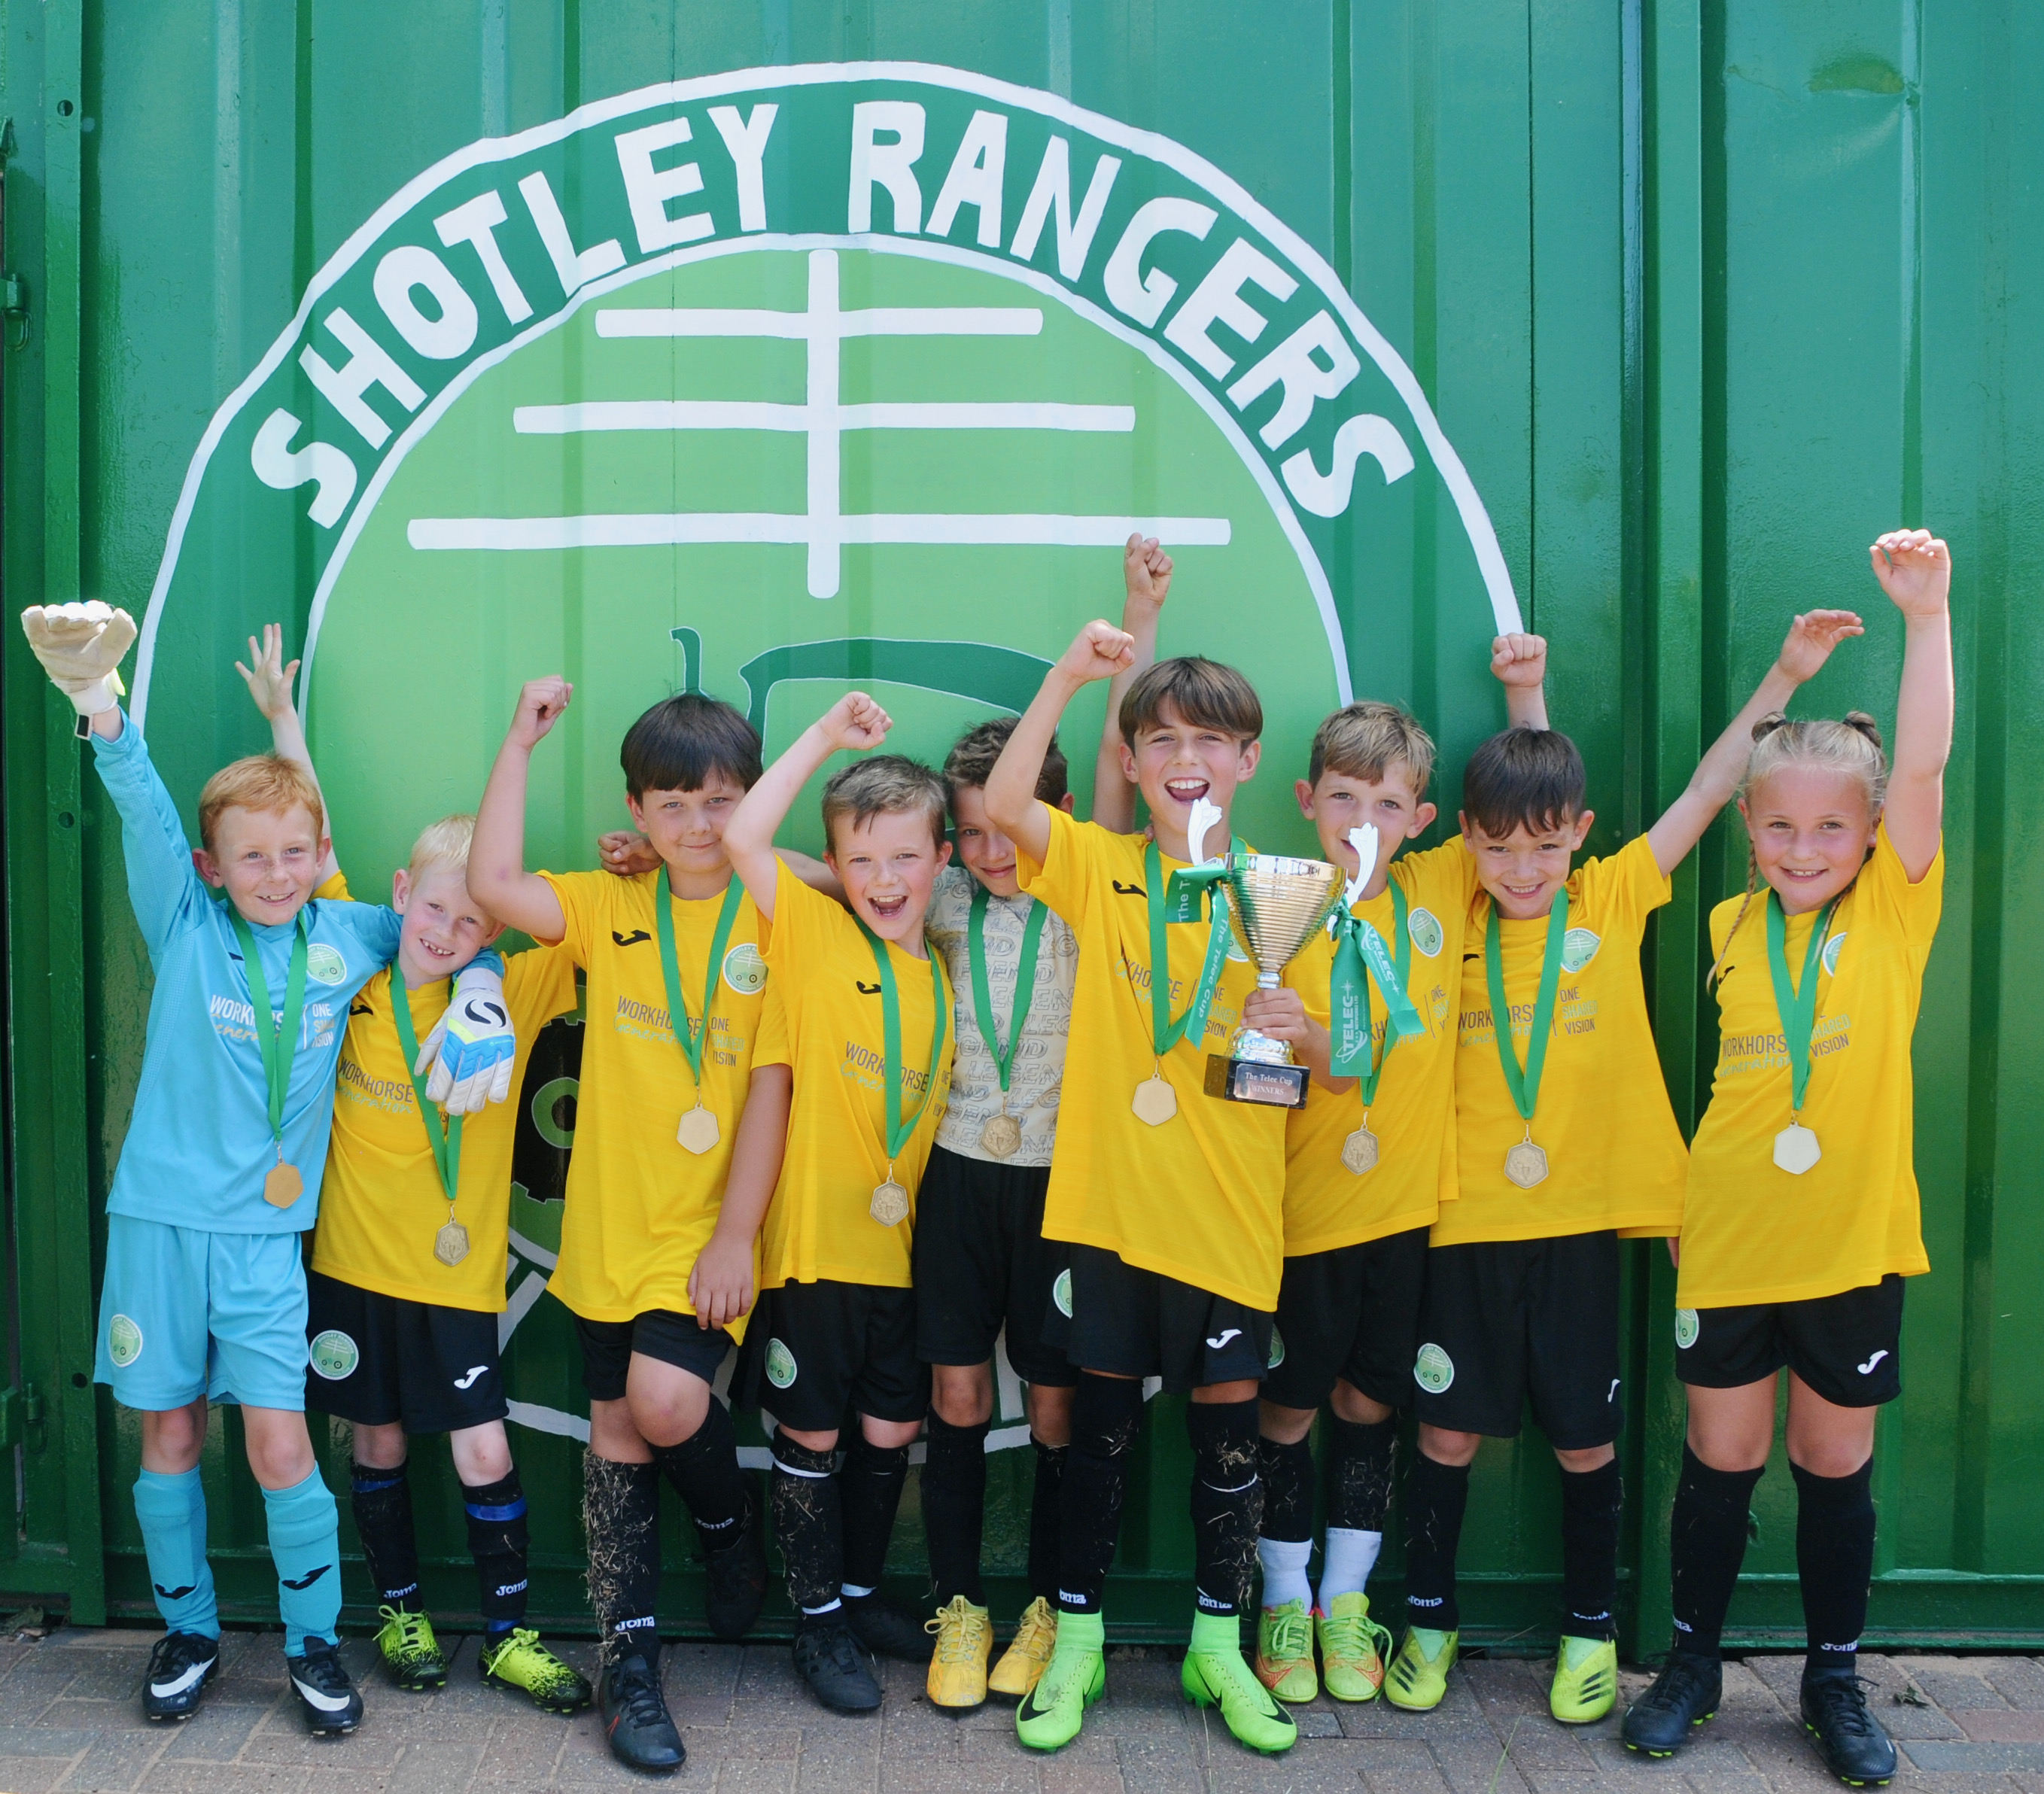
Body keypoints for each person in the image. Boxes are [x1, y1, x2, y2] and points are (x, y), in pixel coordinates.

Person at [17, 604, 513, 1735]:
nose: (278, 872)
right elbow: (143, 811)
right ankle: (188, 1633)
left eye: (296, 854)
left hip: (266, 1245)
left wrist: (480, 997)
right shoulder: (184, 920)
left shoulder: (347, 935)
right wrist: (101, 707)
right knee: (174, 1435)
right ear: (213, 866)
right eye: (254, 856)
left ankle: (309, 1645)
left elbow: (451, 927)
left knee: (282, 1442)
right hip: (158, 1227)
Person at [1384, 603, 1864, 1727]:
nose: (1522, 869)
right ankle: (1429, 1619)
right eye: (1497, 847)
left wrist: (1786, 676)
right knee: (1446, 1432)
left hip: (1587, 1225)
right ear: (1465, 839)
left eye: (1546, 846)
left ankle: (1592, 1630)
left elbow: (1706, 792)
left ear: (1581, 836)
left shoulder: (1609, 893)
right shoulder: (1445, 900)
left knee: (1587, 1441)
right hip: (1463, 1223)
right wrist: (1521, 706)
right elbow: (1511, 797)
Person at [1623, 530, 1951, 1786]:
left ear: (1868, 838)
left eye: (1830, 828)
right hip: (1730, 1238)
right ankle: (1694, 1664)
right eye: (1779, 828)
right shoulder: (1722, 920)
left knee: (1832, 1462)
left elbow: (1920, 766)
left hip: (1853, 1242)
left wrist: (1928, 619)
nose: (1803, 848)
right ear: (1751, 832)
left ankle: (1832, 1678)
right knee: (1721, 1459)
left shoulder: (1893, 908)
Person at [228, 631, 588, 1712]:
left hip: (456, 1279)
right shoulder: (356, 961)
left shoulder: (514, 991)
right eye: (431, 908)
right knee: (374, 1439)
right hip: (348, 1270)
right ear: (398, 894)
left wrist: (612, 865)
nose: (446, 929)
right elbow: (318, 830)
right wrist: (284, 725)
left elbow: (586, 925)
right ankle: (400, 1610)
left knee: (483, 1453)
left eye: (474, 918)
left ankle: (514, 1633)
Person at [469, 679, 796, 1774]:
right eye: (673, 805)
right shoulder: (611, 909)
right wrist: (520, 741)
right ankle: (632, 1665)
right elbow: (492, 884)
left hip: (713, 1231)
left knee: (663, 1405)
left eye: (721, 803)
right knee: (616, 1436)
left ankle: (726, 1529)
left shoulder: (771, 905)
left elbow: (856, 887)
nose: (698, 826)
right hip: (609, 1232)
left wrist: (737, 1237)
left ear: (750, 802)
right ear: (636, 807)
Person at [984, 616, 1298, 1757]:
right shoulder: (1103, 865)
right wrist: (1071, 672)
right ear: (1128, 761)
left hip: (1228, 1220)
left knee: (1230, 1453)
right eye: (1160, 737)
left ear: (1248, 760)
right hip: (1110, 1222)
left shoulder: (1288, 889)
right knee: (1097, 1442)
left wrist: (1300, 1031)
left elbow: (1325, 1066)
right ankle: (1077, 1649)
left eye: (1212, 739)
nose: (1186, 756)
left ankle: (1221, 1651)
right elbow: (1009, 806)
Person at [1246, 640, 1546, 1707]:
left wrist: (1524, 691)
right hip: (1300, 1220)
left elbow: (1532, 808)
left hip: (1407, 1219)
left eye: (1387, 801)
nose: (1363, 819)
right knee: (1285, 1411)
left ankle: (1344, 1603)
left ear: (1424, 819)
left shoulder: (1440, 886)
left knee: (1371, 1407)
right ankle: (1282, 1596)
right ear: (1306, 801)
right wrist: (1305, 1049)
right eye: (1343, 797)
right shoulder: (1273, 902)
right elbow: (1265, 1074)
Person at [914, 534, 1160, 1711]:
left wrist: (1135, 615)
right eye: (968, 831)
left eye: (1007, 824)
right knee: (958, 1399)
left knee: (1058, 1404)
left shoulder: (1085, 868)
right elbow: (815, 872)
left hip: (1067, 1187)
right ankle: (958, 1609)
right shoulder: (938, 890)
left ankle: (1057, 1614)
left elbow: (1123, 757)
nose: (991, 848)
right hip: (957, 1180)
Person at [720, 698, 956, 1715]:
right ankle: (815, 1623)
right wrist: (822, 739)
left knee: (890, 1431)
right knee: (812, 1439)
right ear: (833, 867)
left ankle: (858, 1595)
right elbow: (742, 837)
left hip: (900, 1258)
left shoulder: (942, 962)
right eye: (861, 862)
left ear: (941, 859)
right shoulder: (812, 930)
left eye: (906, 858)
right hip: (814, 1256)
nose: (886, 882)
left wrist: (858, 869)